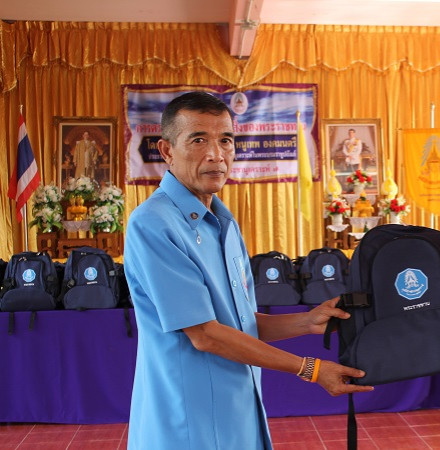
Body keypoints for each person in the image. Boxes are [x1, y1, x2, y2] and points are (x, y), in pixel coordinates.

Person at [124, 92, 373, 450]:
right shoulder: (153, 224)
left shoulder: (224, 223)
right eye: (198, 140)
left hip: (239, 410)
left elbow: (239, 323)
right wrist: (312, 370)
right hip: (188, 421)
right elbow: (205, 334)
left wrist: (306, 321)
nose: (216, 154)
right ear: (166, 151)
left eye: (225, 140)